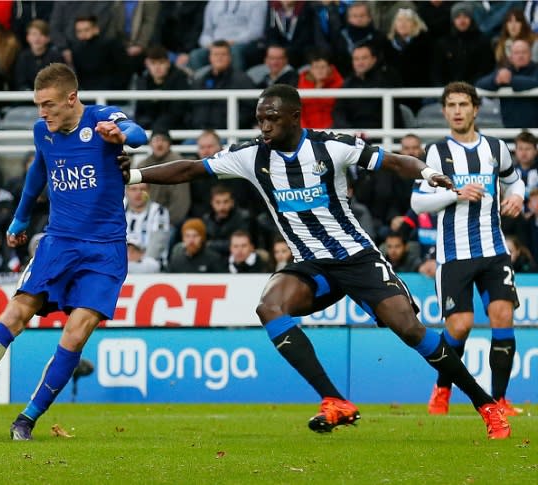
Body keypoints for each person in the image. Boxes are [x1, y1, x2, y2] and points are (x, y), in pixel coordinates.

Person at [125, 83, 512, 439]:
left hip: (356, 257)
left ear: (295, 116)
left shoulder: (331, 147)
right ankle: (334, 400)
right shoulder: (251, 156)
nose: (264, 126)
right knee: (269, 307)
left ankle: (486, 404)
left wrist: (428, 172)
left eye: (272, 118)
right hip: (311, 263)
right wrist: (136, 175)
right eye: (260, 118)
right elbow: (192, 168)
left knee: (411, 331)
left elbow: (393, 162)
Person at [0, 63, 146, 440]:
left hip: (104, 251)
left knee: (76, 333)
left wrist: (121, 133)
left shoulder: (102, 118)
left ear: (71, 98)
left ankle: (26, 419)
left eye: (49, 104)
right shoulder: (44, 132)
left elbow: (139, 135)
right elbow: (38, 172)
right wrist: (20, 219)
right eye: (39, 104)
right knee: (16, 312)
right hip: (57, 241)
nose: (42, 113)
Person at [410, 81, 525, 419]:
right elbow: (418, 202)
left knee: (503, 316)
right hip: (454, 254)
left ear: (475, 109)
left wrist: (516, 195)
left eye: (463, 104)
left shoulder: (495, 147)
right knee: (460, 326)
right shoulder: (436, 153)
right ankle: (442, 389)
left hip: (494, 250)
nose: (457, 111)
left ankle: (500, 401)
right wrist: (454, 193)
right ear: (444, 111)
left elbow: (514, 179)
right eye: (451, 105)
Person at [475, 39, 538, 129]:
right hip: (509, 128)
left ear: (530, 55)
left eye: (524, 52)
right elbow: (480, 84)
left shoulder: (535, 69)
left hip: (534, 131)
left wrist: (510, 80)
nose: (520, 56)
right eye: (516, 53)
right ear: (510, 57)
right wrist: (496, 80)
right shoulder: (505, 71)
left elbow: (535, 82)